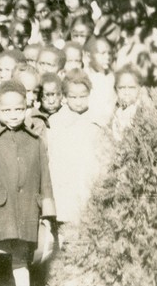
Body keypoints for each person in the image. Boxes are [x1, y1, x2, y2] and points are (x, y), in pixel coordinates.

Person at [0, 80, 54, 286]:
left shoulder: (35, 140)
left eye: (19, 109)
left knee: (21, 260)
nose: (13, 114)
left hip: (27, 210)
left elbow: (45, 179)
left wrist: (46, 215)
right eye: (7, 110)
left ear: (27, 107)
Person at [47, 69, 107, 251]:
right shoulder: (56, 122)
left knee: (87, 232)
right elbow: (53, 158)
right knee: (66, 235)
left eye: (83, 96)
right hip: (65, 187)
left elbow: (102, 155)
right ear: (64, 97)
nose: (78, 101)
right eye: (73, 97)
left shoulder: (97, 122)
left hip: (87, 182)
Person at [110, 66, 143, 142]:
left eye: (131, 87)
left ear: (139, 88)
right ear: (115, 90)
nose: (126, 92)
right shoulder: (117, 112)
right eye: (121, 88)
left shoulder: (139, 110)